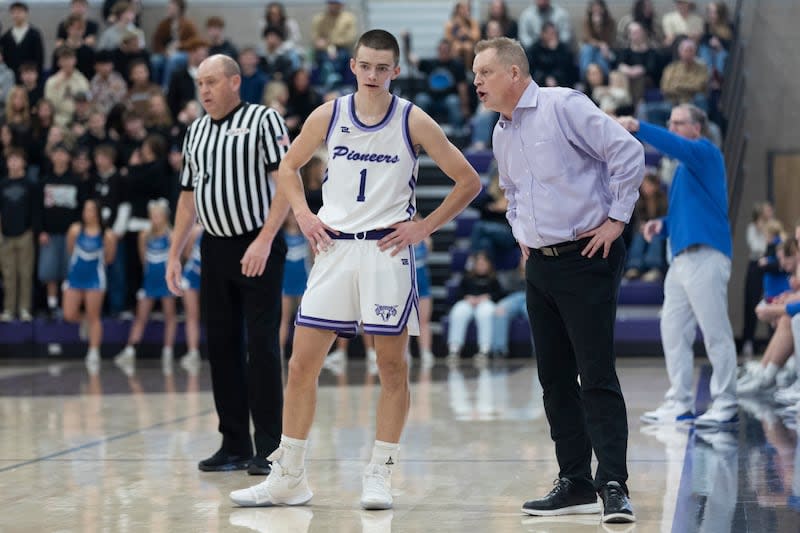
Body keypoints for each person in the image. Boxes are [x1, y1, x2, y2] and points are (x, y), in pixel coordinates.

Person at [229, 29, 480, 510]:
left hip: (387, 252)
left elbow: (467, 180)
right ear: (352, 65)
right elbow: (287, 167)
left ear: (396, 71)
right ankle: (289, 476)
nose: (372, 75)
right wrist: (302, 214)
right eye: (365, 65)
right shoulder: (330, 113)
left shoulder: (413, 120)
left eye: (382, 67)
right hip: (334, 249)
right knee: (302, 364)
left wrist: (424, 227)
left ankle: (380, 474)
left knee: (391, 367)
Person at [473, 37, 642, 523]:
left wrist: (616, 219)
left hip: (588, 254)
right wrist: (520, 232)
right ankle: (574, 480)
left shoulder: (563, 105)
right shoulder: (501, 132)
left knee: (596, 375)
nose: (477, 82)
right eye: (474, 74)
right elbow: (510, 189)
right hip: (541, 265)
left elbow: (627, 152)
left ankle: (613, 483)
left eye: (484, 72)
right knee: (553, 379)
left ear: (513, 73)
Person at [165, 54, 291, 475]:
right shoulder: (195, 131)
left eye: (212, 81)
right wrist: (174, 252)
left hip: (258, 246)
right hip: (214, 249)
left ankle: (270, 448)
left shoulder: (263, 120)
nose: (204, 90)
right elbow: (187, 198)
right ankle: (233, 443)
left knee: (262, 348)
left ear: (235, 82)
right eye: (200, 83)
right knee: (221, 348)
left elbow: (285, 184)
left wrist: (265, 239)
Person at [618, 104, 738, 430]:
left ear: (696, 127)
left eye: (678, 122)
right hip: (681, 259)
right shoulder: (683, 170)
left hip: (706, 257)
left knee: (716, 333)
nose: (671, 127)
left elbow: (675, 145)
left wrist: (637, 125)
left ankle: (726, 402)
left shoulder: (705, 152)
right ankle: (680, 402)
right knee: (672, 331)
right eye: (668, 121)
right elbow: (691, 213)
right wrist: (664, 225)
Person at [115, 198, 177, 370]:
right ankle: (130, 350)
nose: (155, 218)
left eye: (158, 215)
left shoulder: (171, 235)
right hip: (150, 281)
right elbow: (144, 260)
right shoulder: (144, 235)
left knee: (169, 315)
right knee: (141, 316)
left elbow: (177, 258)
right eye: (153, 215)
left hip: (166, 282)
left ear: (165, 216)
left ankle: (168, 350)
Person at [62, 199, 117, 365]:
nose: (88, 213)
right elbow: (70, 250)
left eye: (91, 210)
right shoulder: (75, 230)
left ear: (98, 213)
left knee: (94, 316)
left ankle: (93, 351)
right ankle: (83, 321)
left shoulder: (107, 235)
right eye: (85, 210)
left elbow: (109, 258)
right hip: (75, 277)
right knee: (69, 314)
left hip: (95, 279)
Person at [446, 251, 503, 363]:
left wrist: (488, 297)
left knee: (484, 313)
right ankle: (454, 349)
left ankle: (484, 350)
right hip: (469, 303)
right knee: (458, 311)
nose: (481, 266)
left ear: (488, 264)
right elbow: (459, 294)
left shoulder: (494, 278)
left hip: (486, 303)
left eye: (483, 263)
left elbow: (499, 294)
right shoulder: (467, 277)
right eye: (478, 263)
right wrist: (467, 297)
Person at [179, 224, 203, 369]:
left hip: (215, 276)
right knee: (192, 315)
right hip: (192, 275)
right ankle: (193, 352)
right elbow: (187, 253)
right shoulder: (196, 230)